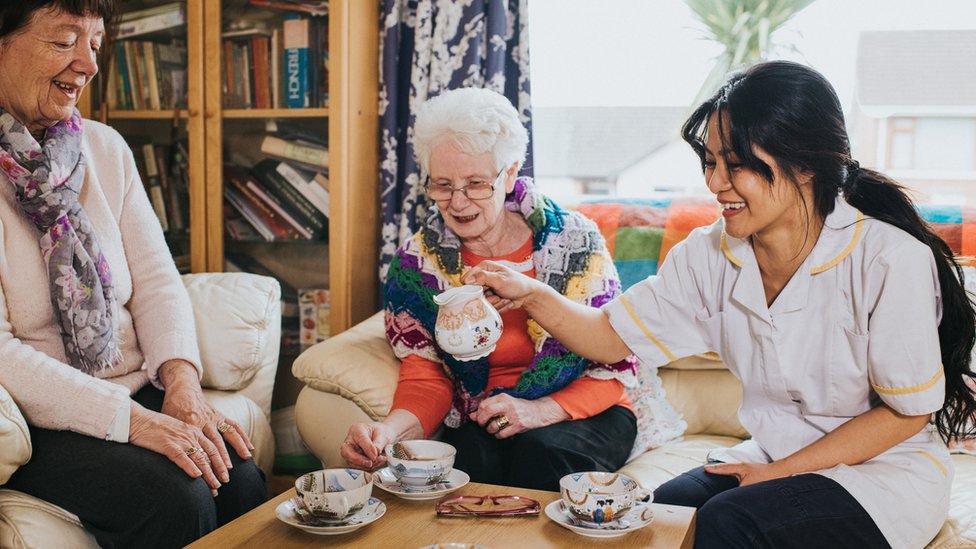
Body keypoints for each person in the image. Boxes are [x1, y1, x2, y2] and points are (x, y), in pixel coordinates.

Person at [464, 61, 976, 548]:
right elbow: (607, 335)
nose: (714, 183)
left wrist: (773, 476)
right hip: (778, 455)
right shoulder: (710, 254)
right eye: (710, 162)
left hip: (883, 476)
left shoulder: (888, 259)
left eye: (736, 165)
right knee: (664, 512)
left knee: (728, 524)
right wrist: (531, 293)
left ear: (804, 165)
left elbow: (906, 416)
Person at [0, 2, 265, 546]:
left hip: (131, 389)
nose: (88, 63)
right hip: (39, 419)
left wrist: (183, 385)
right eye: (64, 40)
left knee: (240, 479)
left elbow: (157, 283)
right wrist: (133, 422)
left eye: (95, 44)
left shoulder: (104, 148)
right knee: (178, 496)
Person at [340, 87, 641, 490]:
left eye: (476, 183)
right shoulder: (417, 265)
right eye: (443, 185)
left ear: (511, 173)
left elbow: (615, 361)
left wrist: (540, 410)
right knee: (464, 466)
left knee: (540, 452)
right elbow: (425, 375)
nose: (458, 202)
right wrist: (388, 433)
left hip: (585, 408)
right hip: (485, 415)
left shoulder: (573, 242)